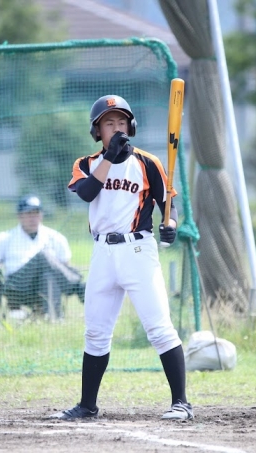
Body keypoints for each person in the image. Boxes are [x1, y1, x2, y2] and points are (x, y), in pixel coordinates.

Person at [51, 94, 193, 421]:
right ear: (96, 131)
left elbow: (169, 206)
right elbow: (87, 192)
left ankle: (181, 402)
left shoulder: (148, 162)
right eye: (108, 123)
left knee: (158, 327)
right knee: (96, 332)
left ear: (131, 127)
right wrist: (109, 157)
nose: (116, 128)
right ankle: (87, 405)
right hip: (102, 252)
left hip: (137, 250)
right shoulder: (86, 164)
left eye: (121, 122)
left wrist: (170, 226)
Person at [0, 195, 85, 320]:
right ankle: (79, 288)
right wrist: (5, 293)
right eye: (28, 214)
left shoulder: (55, 237)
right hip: (17, 286)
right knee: (43, 256)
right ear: (20, 216)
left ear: (41, 215)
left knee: (48, 275)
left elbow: (65, 267)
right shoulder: (4, 238)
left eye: (36, 213)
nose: (33, 218)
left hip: (42, 286)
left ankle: (53, 319)